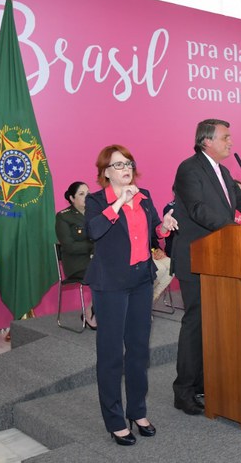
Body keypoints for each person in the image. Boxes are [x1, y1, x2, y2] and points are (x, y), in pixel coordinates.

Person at [170, 119, 241, 416]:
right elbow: (198, 210)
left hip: (220, 258)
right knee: (196, 323)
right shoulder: (189, 168)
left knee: (214, 323)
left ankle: (204, 382)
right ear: (207, 141)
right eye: (226, 137)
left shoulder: (224, 171)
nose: (231, 142)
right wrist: (234, 230)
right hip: (197, 257)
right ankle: (184, 391)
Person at [85, 145, 178, 445]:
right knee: (112, 355)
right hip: (111, 284)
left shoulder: (145, 196)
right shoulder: (97, 200)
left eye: (129, 163)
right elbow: (93, 231)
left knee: (138, 350)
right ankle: (114, 420)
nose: (126, 168)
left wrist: (163, 228)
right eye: (118, 165)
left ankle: (137, 411)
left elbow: (153, 232)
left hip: (140, 280)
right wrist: (118, 204)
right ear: (106, 172)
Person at [55, 181, 96, 329]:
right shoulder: (63, 217)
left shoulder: (95, 213)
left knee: (118, 270)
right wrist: (93, 247)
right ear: (72, 198)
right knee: (105, 273)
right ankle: (94, 313)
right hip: (76, 264)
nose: (87, 196)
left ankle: (95, 309)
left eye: (88, 193)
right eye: (81, 194)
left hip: (96, 261)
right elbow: (69, 246)